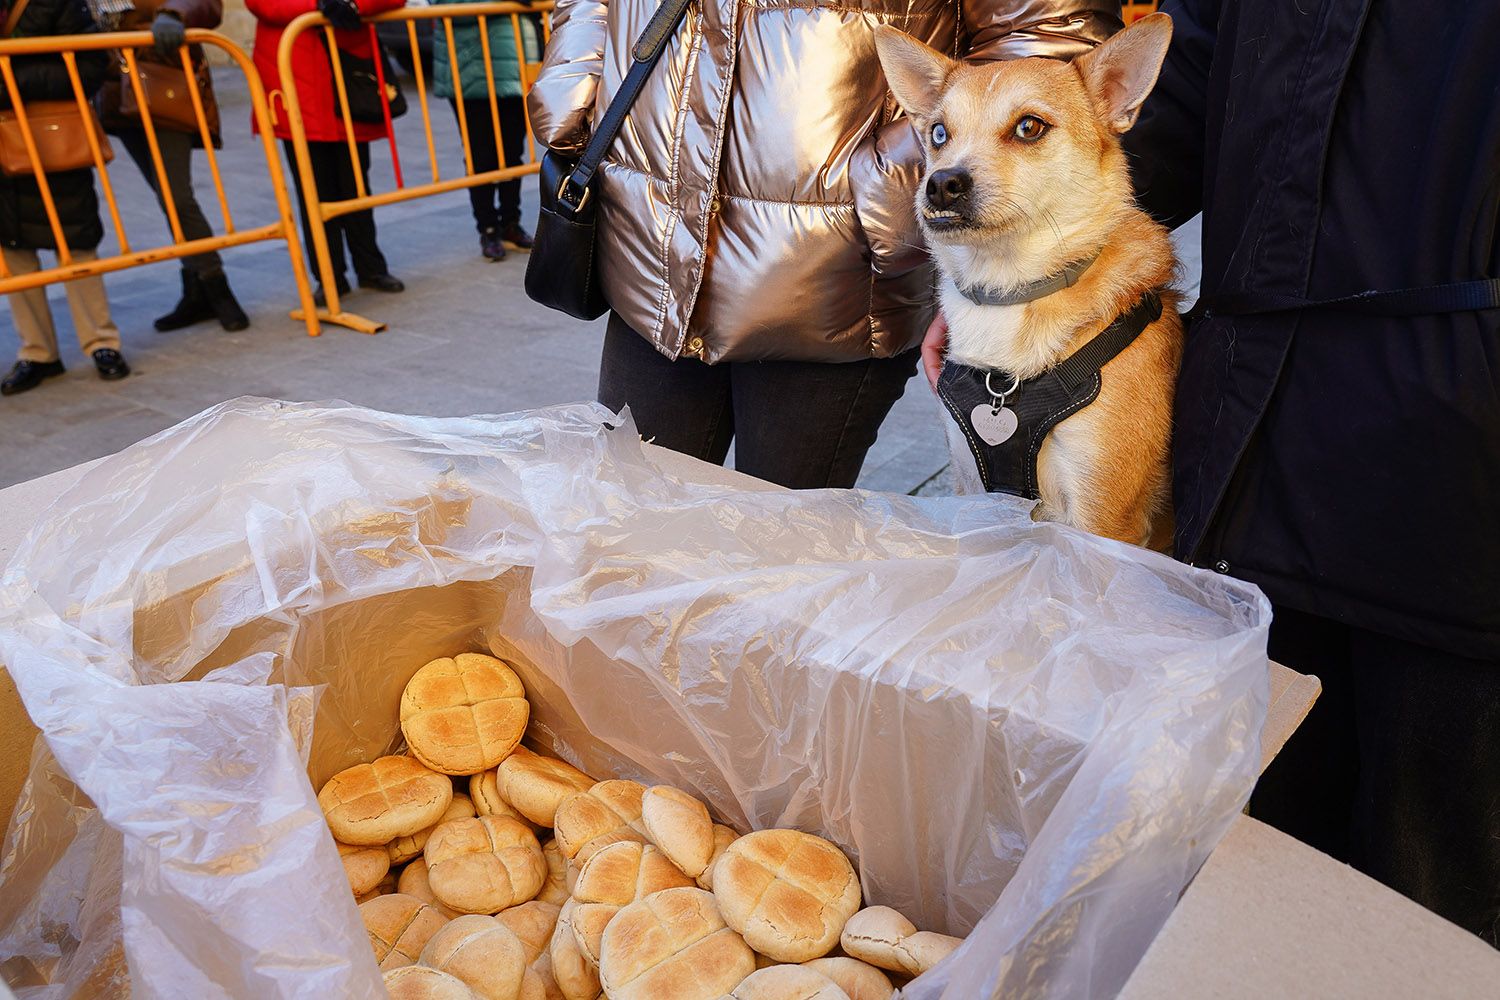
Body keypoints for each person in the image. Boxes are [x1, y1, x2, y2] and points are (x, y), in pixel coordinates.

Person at [1093, 0, 1496, 944]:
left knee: (1431, 895)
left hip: (1459, 480)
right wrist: (1032, 265)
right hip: (1248, 450)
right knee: (1244, 856)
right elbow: (1183, 86)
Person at [528, 0, 1122, 490]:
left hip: (828, 271)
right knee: (626, 533)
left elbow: (1049, 37)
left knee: (782, 567)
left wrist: (883, 184)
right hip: (651, 244)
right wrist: (571, 95)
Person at [0, 0, 130, 396]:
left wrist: (9, 77)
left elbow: (90, 66)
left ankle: (101, 343)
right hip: (4, 146)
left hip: (53, 138)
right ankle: (37, 352)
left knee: (77, 239)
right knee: (12, 246)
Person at [96, 0, 249, 332]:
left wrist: (172, 16)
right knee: (164, 194)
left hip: (162, 79)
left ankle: (215, 285)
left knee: (176, 195)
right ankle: (195, 289)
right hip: (114, 87)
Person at [247, 0, 405, 305]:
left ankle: (370, 266)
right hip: (294, 84)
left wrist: (353, 4)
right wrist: (318, 4)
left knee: (356, 184)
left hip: (346, 78)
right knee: (313, 191)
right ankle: (329, 275)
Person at [430, 0, 538, 261]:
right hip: (470, 66)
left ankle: (511, 221)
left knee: (512, 151)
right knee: (482, 155)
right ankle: (488, 228)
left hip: (513, 63)